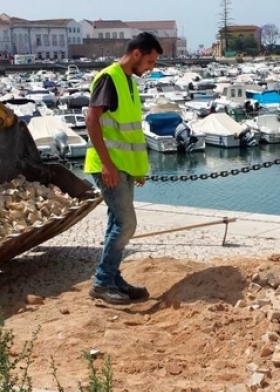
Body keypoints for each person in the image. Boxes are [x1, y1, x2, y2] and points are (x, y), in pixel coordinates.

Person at [84, 32, 163, 305]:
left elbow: (129, 132)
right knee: (127, 224)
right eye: (150, 61)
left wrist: (136, 169)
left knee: (116, 222)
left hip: (122, 167)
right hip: (109, 166)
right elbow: (92, 120)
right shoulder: (109, 78)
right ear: (137, 54)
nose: (151, 68)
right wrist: (107, 165)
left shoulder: (128, 80)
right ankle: (102, 281)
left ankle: (112, 278)